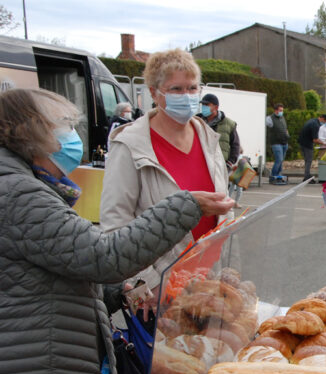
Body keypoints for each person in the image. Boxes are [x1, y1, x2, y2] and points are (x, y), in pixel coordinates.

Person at [0, 87, 233, 374]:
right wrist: (183, 206)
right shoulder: (18, 194)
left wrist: (116, 292)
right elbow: (104, 255)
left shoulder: (25, 184)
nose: (71, 135)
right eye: (62, 126)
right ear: (30, 132)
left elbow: (46, 273)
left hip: (39, 365)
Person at [101, 48, 234, 296]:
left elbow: (221, 205)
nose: (187, 96)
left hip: (210, 283)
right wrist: (147, 283)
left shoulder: (207, 137)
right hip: (162, 289)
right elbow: (115, 225)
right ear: (154, 92)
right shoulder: (130, 145)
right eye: (176, 89)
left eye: (193, 88)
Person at [197, 93, 240, 168]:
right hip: (200, 164)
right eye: (203, 105)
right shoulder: (197, 121)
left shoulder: (228, 124)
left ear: (216, 107)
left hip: (220, 165)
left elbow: (235, 145)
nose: (204, 107)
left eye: (207, 105)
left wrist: (230, 163)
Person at [298, 114, 326, 183]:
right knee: (309, 160)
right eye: (324, 121)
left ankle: (307, 175)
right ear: (322, 119)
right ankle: (306, 177)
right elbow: (315, 140)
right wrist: (324, 143)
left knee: (307, 160)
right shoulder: (315, 125)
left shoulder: (313, 121)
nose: (323, 123)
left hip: (303, 142)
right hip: (307, 144)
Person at [265, 103, 289, 184]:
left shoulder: (282, 118)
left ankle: (278, 175)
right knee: (279, 160)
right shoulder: (270, 118)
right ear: (275, 110)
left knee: (281, 161)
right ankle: (273, 176)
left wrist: (287, 135)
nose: (282, 112)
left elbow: (285, 129)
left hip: (284, 142)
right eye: (280, 110)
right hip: (276, 142)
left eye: (282, 110)